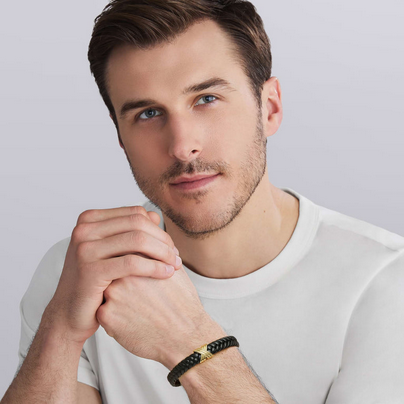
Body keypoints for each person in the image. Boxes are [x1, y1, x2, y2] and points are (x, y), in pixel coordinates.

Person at [2, 0, 404, 403]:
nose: (182, 146)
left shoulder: (385, 282)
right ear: (120, 135)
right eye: (148, 113)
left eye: (206, 99)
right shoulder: (82, 270)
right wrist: (61, 330)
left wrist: (190, 342)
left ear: (270, 108)